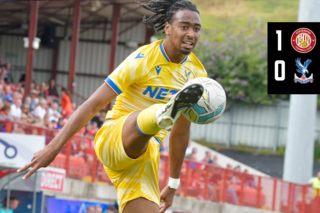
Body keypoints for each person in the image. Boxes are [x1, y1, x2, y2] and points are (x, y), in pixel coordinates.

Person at [18, 1, 206, 213]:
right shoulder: (142, 59)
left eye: (196, 29)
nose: (191, 33)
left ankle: (161, 114)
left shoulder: (197, 76)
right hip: (114, 137)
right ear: (168, 28)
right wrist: (53, 148)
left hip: (144, 161)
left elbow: (180, 133)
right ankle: (161, 113)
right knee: (146, 118)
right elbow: (94, 104)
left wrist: (173, 183)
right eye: (184, 26)